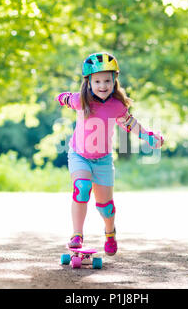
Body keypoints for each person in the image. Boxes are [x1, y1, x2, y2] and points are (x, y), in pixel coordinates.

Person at [55, 51, 164, 256]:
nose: (103, 86)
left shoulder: (117, 106)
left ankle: (110, 232)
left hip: (103, 160)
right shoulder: (81, 101)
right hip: (79, 155)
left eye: (107, 80)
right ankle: (76, 235)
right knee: (82, 188)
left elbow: (131, 125)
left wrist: (149, 137)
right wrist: (63, 97)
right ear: (88, 82)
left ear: (115, 81)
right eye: (97, 81)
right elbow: (65, 98)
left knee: (106, 207)